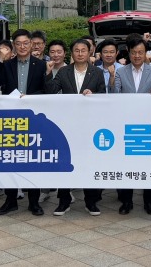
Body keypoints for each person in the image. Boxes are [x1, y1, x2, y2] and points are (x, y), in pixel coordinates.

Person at [0, 29, 49, 215]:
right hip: (11, 117)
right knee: (10, 159)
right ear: (13, 46)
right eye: (18, 43)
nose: (22, 46)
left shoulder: (40, 65)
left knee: (33, 160)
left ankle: (34, 202)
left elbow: (45, 91)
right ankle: (11, 200)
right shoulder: (7, 64)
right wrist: (1, 61)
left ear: (31, 44)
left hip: (33, 117)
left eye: (25, 43)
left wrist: (29, 97)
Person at [46, 38, 106, 216]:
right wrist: (49, 73)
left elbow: (103, 95)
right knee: (66, 161)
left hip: (89, 125)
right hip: (68, 125)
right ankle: (63, 201)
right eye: (76, 50)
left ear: (89, 53)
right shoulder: (64, 72)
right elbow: (51, 91)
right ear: (72, 53)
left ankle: (91, 201)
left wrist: (93, 94)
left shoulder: (96, 72)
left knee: (89, 162)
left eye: (83, 50)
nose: (80, 53)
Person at [112, 35, 151, 215]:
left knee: (149, 165)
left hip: (148, 127)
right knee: (126, 165)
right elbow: (114, 96)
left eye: (140, 52)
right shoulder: (120, 72)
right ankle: (126, 201)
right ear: (129, 53)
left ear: (146, 53)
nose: (137, 56)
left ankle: (149, 201)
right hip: (126, 126)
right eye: (134, 53)